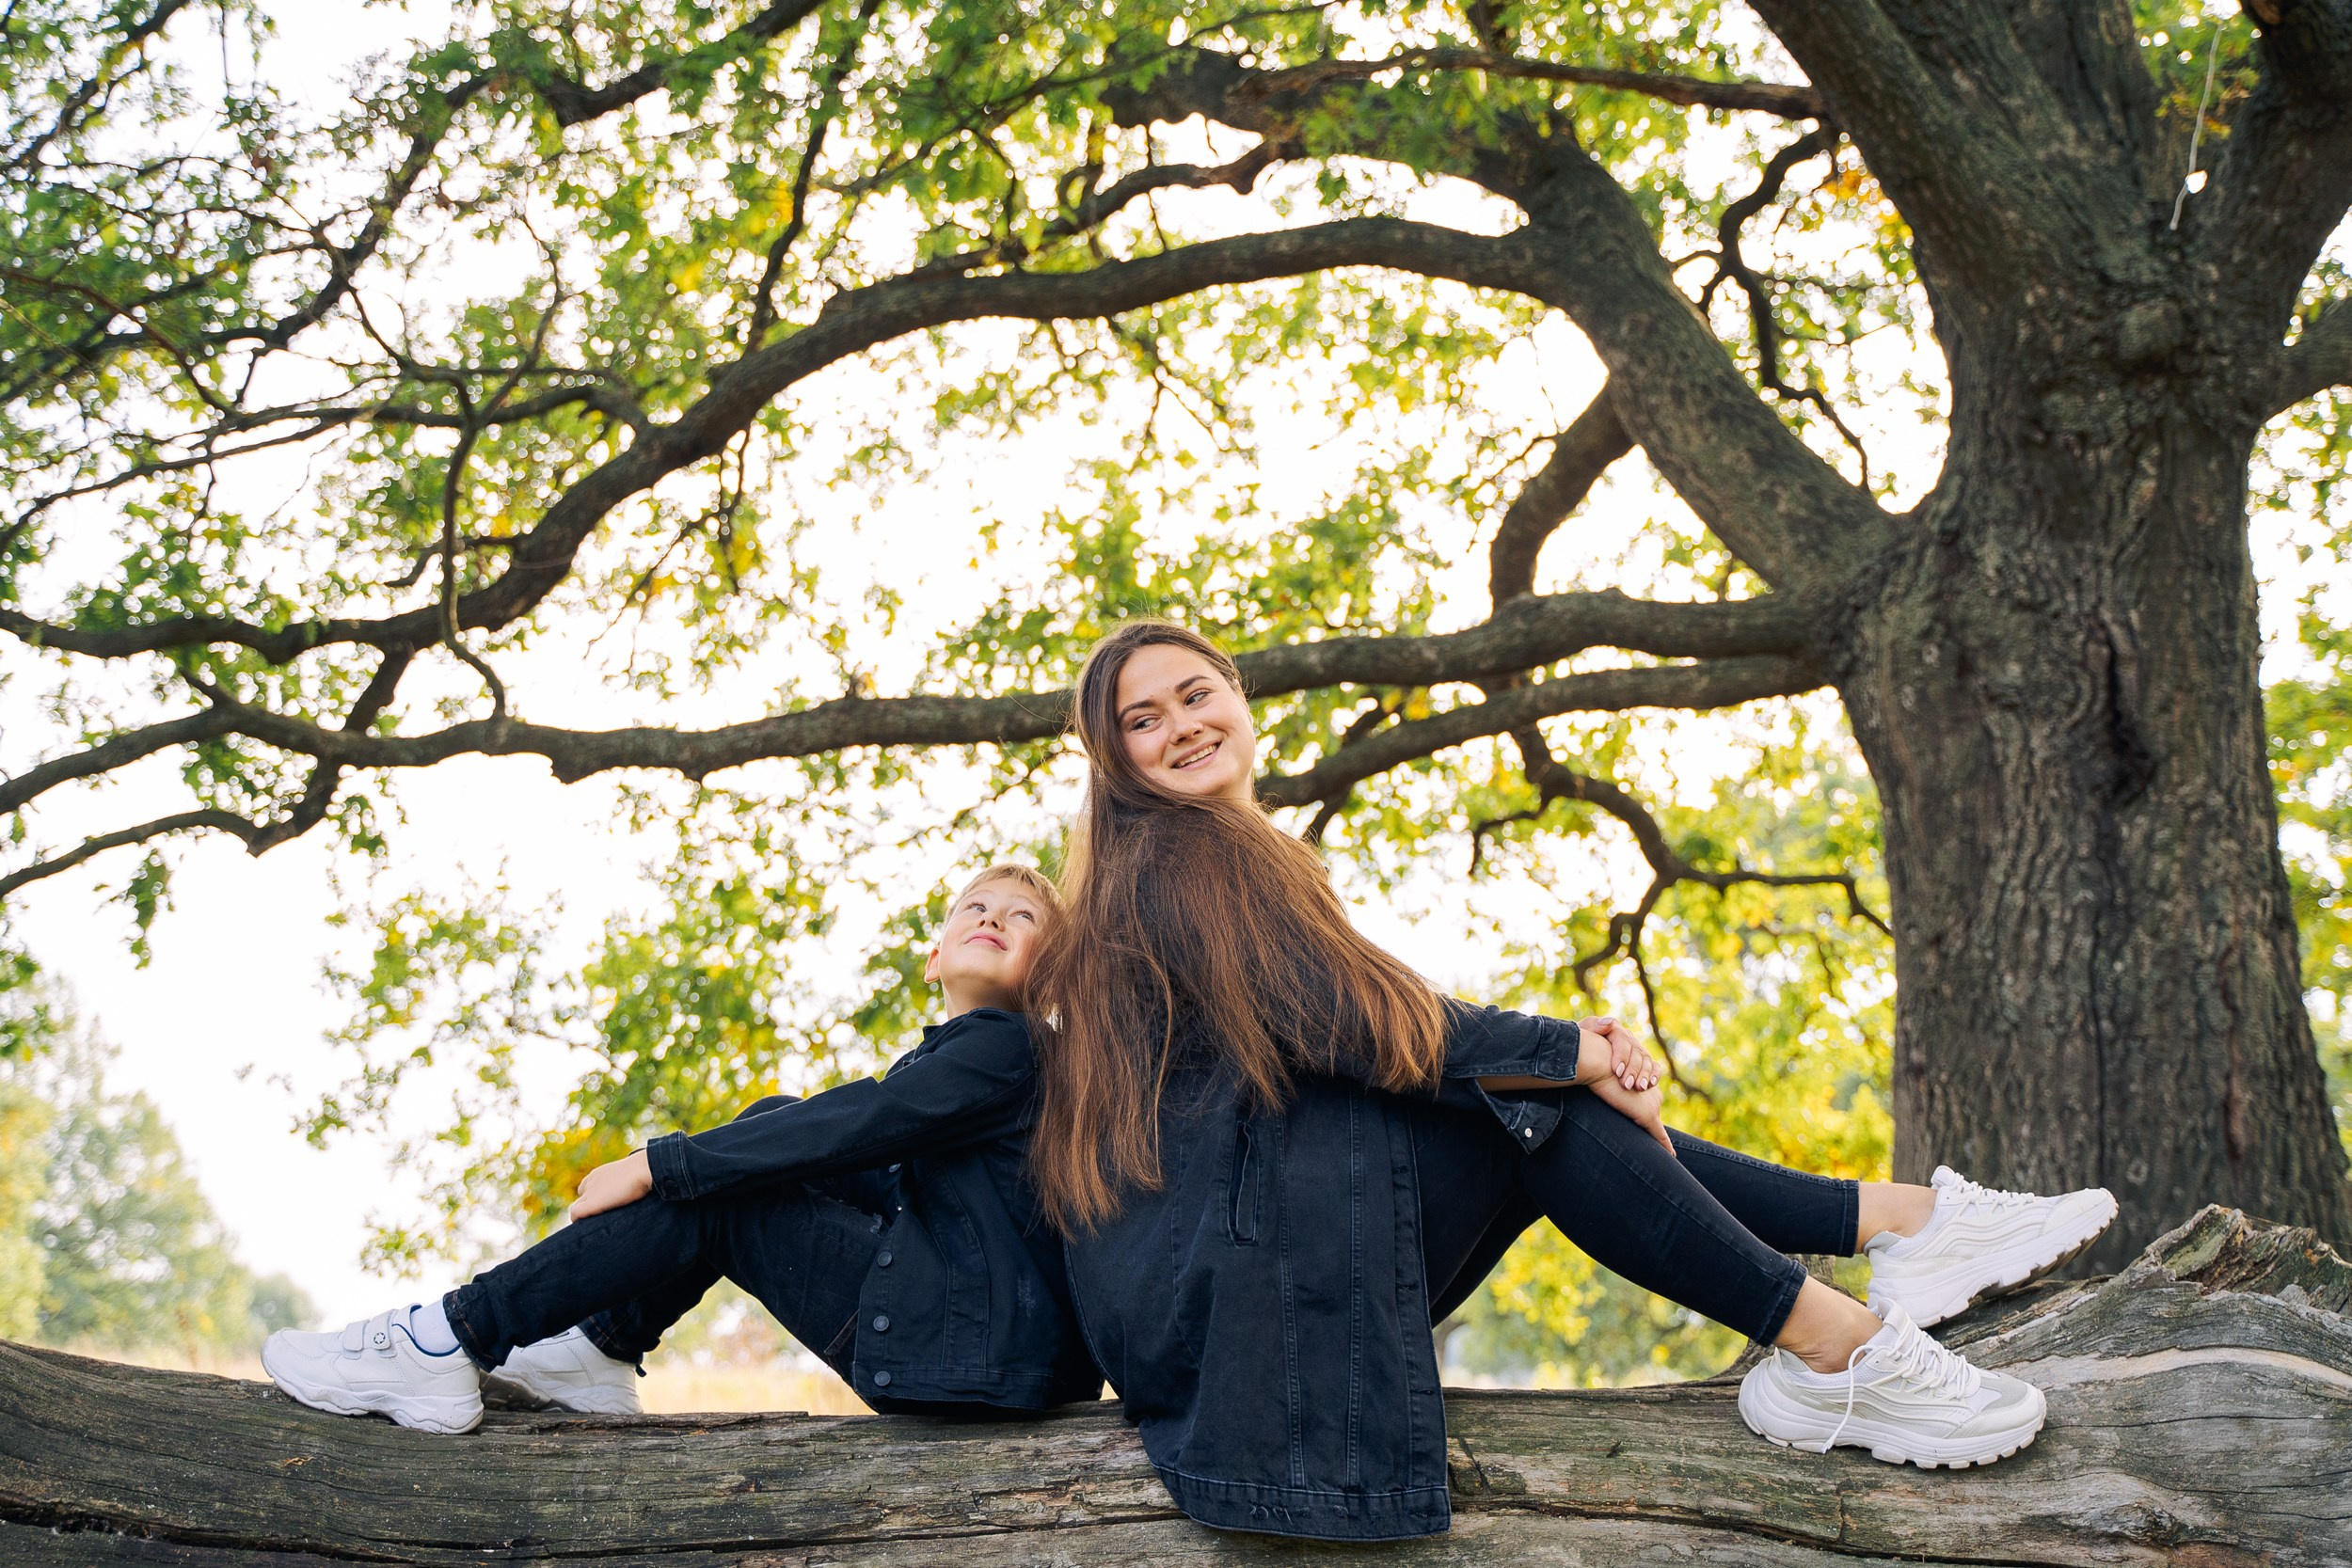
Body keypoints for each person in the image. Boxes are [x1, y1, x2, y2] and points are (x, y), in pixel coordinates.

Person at [1025, 619, 2118, 1541]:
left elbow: (1377, 1033)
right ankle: (1849, 1327)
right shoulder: (1176, 858)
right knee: (1528, 1102)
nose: (1181, 726)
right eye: (1142, 719)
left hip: (1236, 1292)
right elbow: (1354, 1024)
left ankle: (1894, 1237)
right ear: (1113, 758)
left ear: (1237, 696)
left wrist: (1551, 1055)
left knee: (1520, 1097)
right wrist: (1570, 1052)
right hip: (1233, 1309)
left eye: (1194, 692)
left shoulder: (1214, 854)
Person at [262, 863, 1101, 1433]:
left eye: (1022, 916)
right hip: (982, 1351)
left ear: (1051, 974)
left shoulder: (1013, 1046)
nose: (992, 916)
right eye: (974, 907)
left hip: (983, 1359)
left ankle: (451, 1337)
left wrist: (661, 1162)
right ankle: (600, 1347)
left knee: (738, 1187)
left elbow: (856, 1120)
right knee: (771, 1121)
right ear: (932, 956)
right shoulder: (960, 1063)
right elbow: (847, 1146)